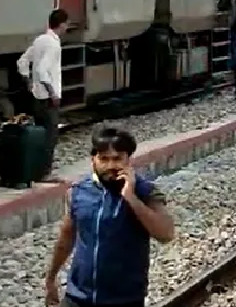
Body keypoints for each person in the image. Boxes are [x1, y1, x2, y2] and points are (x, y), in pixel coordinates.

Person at [44, 127, 174, 307]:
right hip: (77, 297)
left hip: (123, 300)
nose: (111, 165)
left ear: (128, 159)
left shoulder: (145, 192)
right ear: (93, 160)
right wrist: (51, 278)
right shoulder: (78, 191)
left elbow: (166, 234)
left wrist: (131, 198)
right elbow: (66, 237)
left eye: (117, 158)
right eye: (104, 159)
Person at [16, 8, 70, 182]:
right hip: (47, 98)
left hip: (37, 97)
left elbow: (22, 61)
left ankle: (35, 171)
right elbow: (42, 69)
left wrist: (28, 81)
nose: (67, 27)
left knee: (40, 135)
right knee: (50, 136)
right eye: (66, 24)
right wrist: (52, 92)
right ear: (61, 24)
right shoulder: (53, 44)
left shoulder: (40, 40)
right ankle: (45, 174)